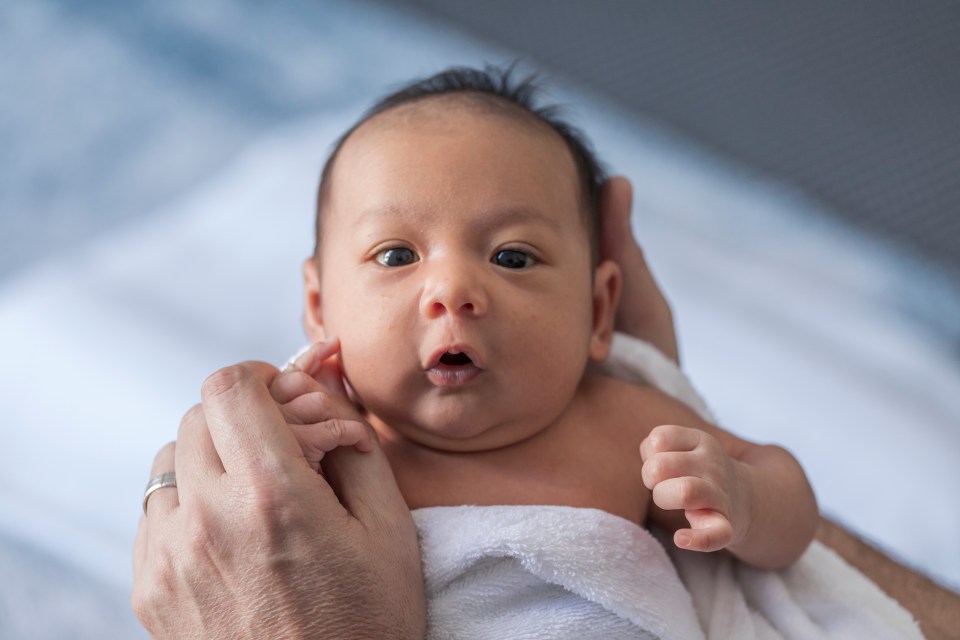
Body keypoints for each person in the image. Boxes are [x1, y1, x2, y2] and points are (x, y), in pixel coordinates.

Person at [133, 69, 960, 640]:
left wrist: (738, 496)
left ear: (600, 313)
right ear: (319, 306)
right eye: (395, 256)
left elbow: (792, 517)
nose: (452, 291)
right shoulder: (326, 448)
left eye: (514, 257)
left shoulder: (628, 421)